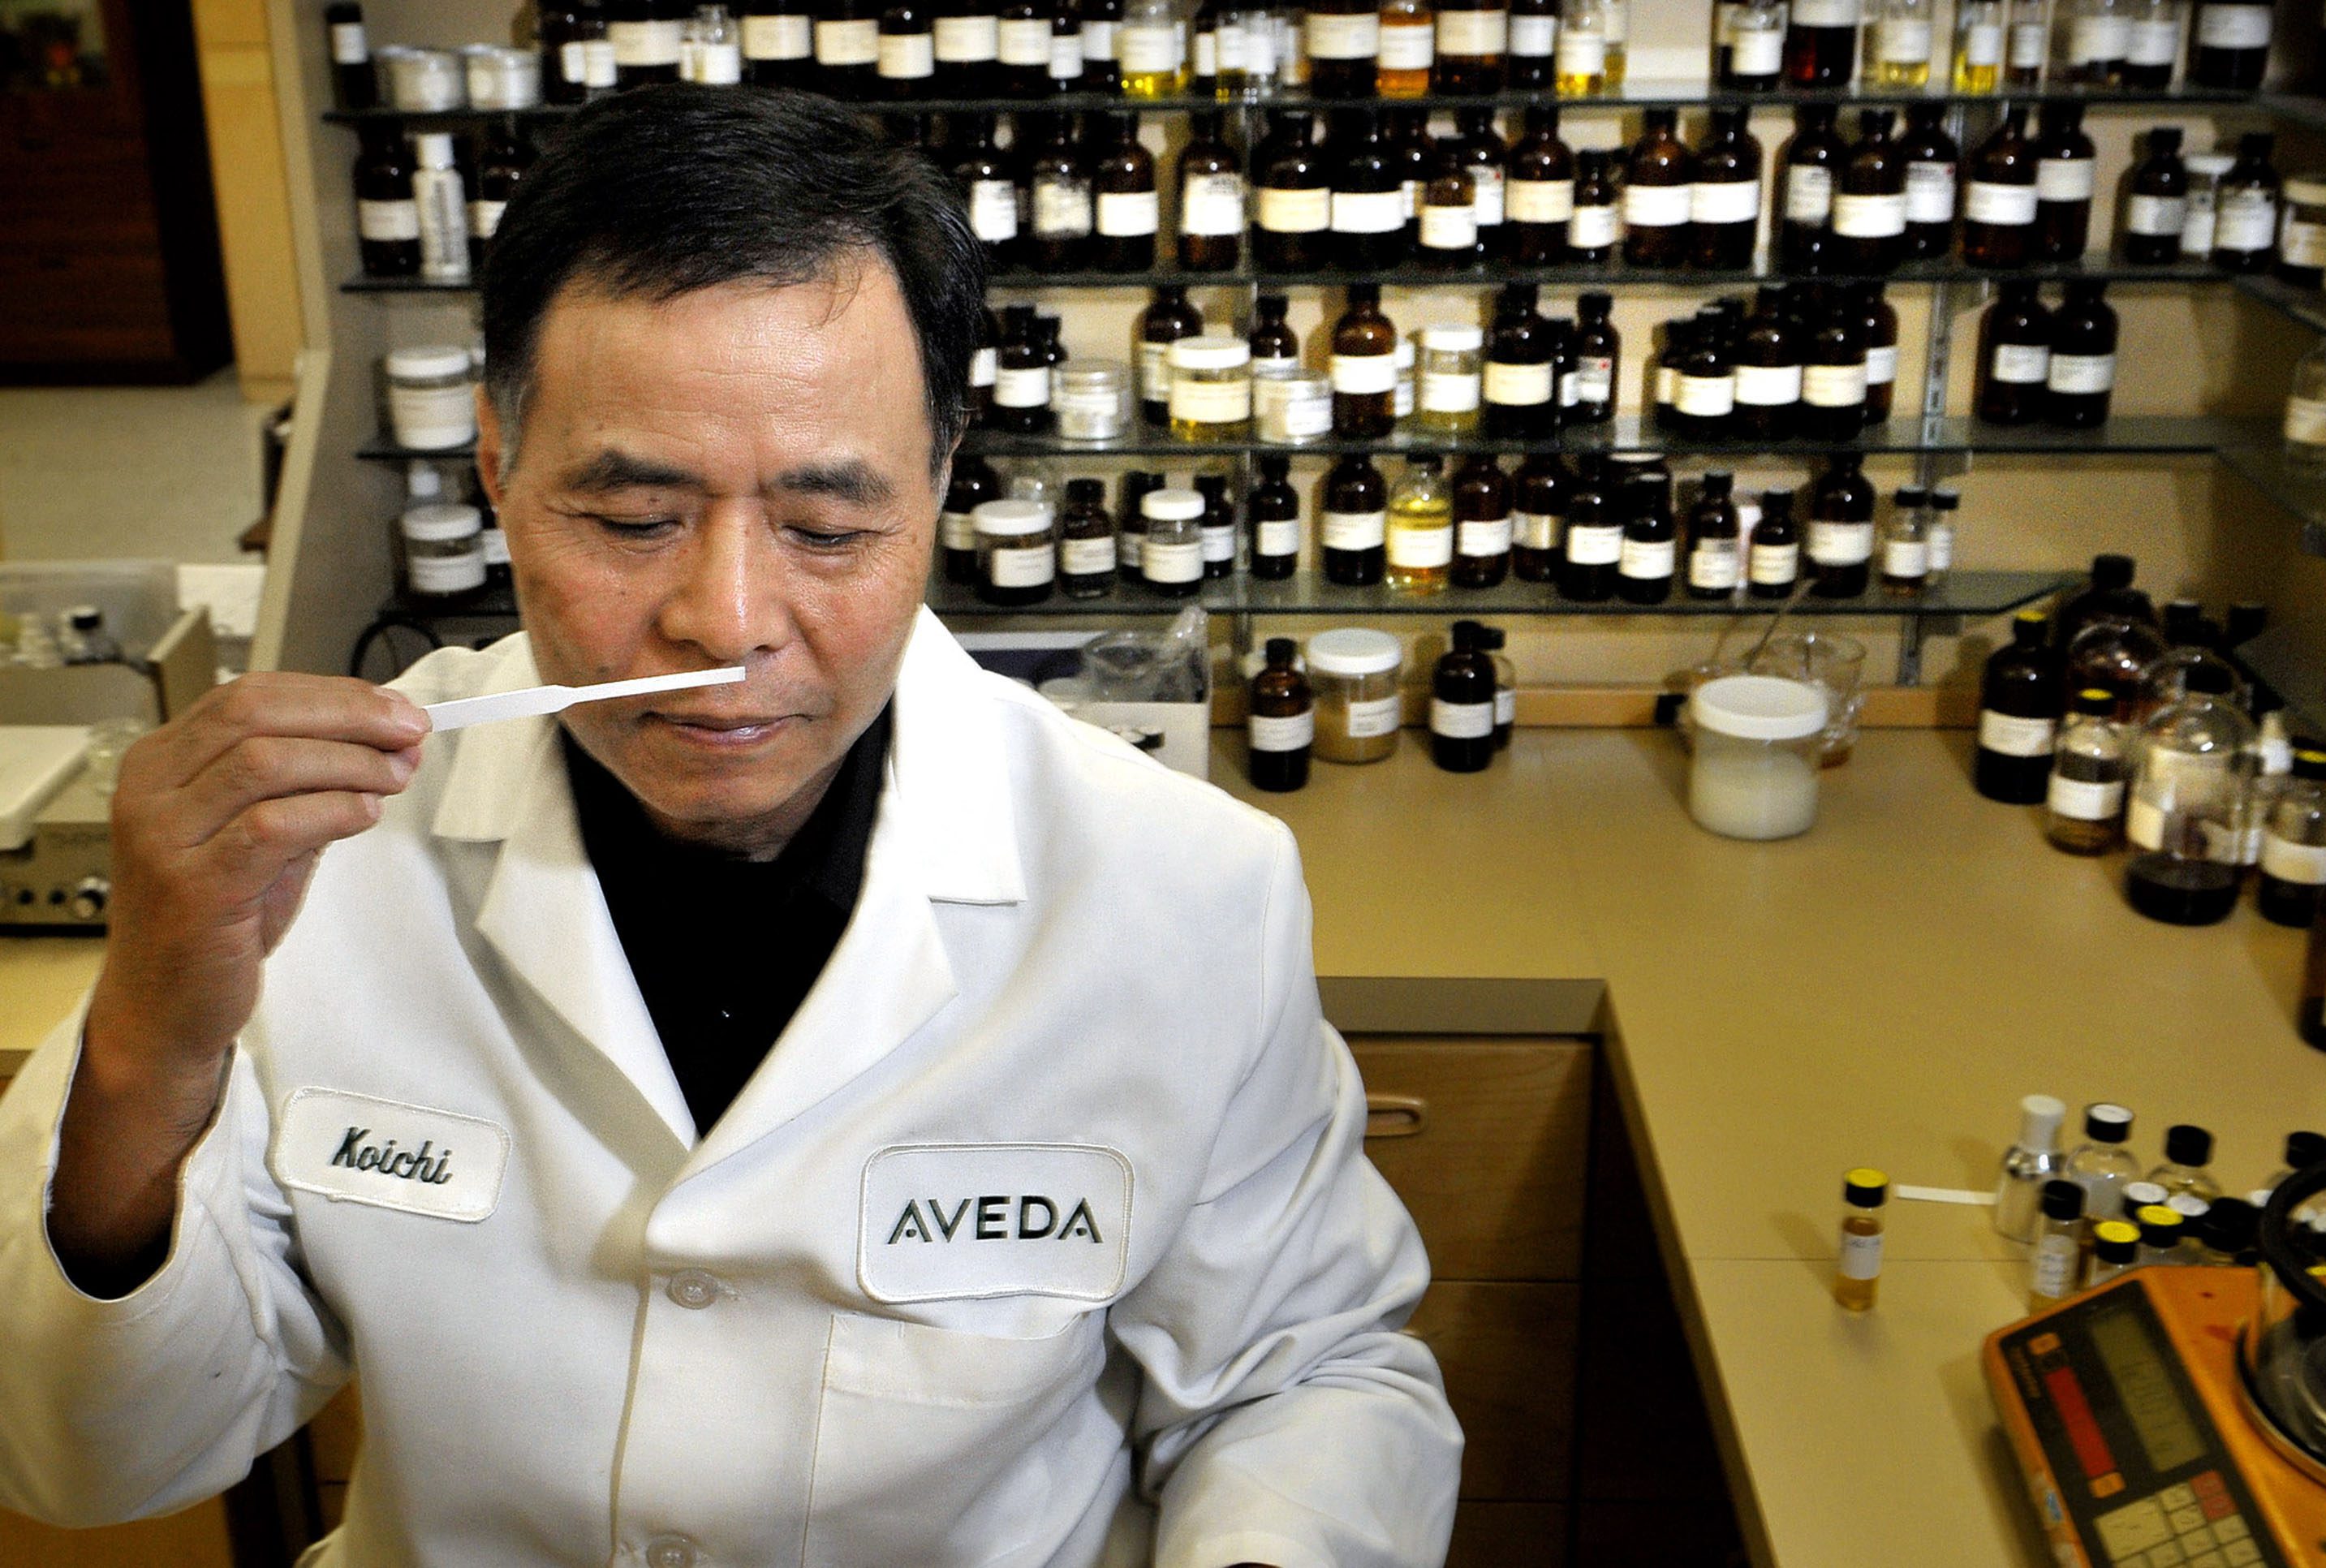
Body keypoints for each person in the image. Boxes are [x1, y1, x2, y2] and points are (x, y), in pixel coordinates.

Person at [0, 86, 1458, 1566]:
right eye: (632, 519)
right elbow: (93, 1460)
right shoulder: (316, 868)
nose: (728, 621)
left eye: (828, 527)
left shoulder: (1180, 891)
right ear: (498, 468)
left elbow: (1308, 1376)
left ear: (944, 479)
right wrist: (146, 1047)